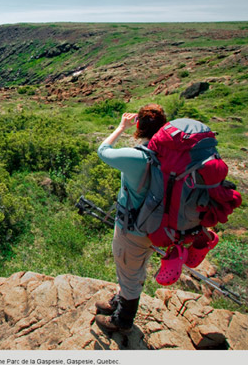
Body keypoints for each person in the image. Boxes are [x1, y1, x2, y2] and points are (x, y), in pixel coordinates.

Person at [94, 104, 167, 334]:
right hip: (154, 226)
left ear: (139, 126)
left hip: (132, 229)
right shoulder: (167, 157)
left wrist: (121, 127)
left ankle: (122, 321)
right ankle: (119, 301)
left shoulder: (138, 158)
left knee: (128, 268)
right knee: (135, 268)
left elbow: (103, 150)